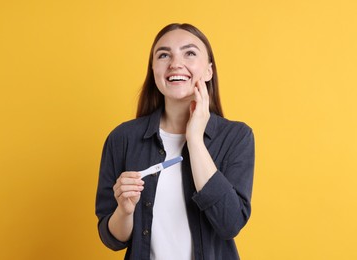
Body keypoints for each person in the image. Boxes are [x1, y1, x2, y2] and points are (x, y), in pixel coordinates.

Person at [95, 23, 255, 260]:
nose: (175, 63)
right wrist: (125, 211)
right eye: (163, 55)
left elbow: (229, 223)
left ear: (209, 71)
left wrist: (195, 139)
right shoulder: (122, 139)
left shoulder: (236, 137)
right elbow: (112, 239)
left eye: (189, 53)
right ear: (153, 69)